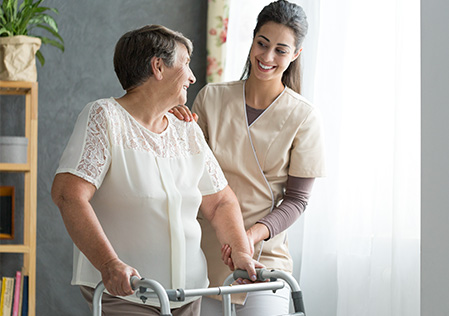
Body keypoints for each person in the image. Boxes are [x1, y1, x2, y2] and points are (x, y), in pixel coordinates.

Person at [51, 24, 262, 316]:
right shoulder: (105, 118)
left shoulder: (185, 130)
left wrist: (240, 251)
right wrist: (109, 265)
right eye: (186, 64)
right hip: (128, 293)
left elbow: (221, 201)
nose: (192, 76)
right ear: (158, 67)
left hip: (188, 294)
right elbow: (67, 195)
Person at [171, 1, 326, 315]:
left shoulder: (304, 117)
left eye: (281, 50)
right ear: (253, 39)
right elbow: (184, 172)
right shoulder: (212, 98)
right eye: (262, 44)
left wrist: (248, 236)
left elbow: (296, 200)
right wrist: (170, 126)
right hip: (205, 254)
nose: (267, 57)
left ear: (296, 55)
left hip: (264, 259)